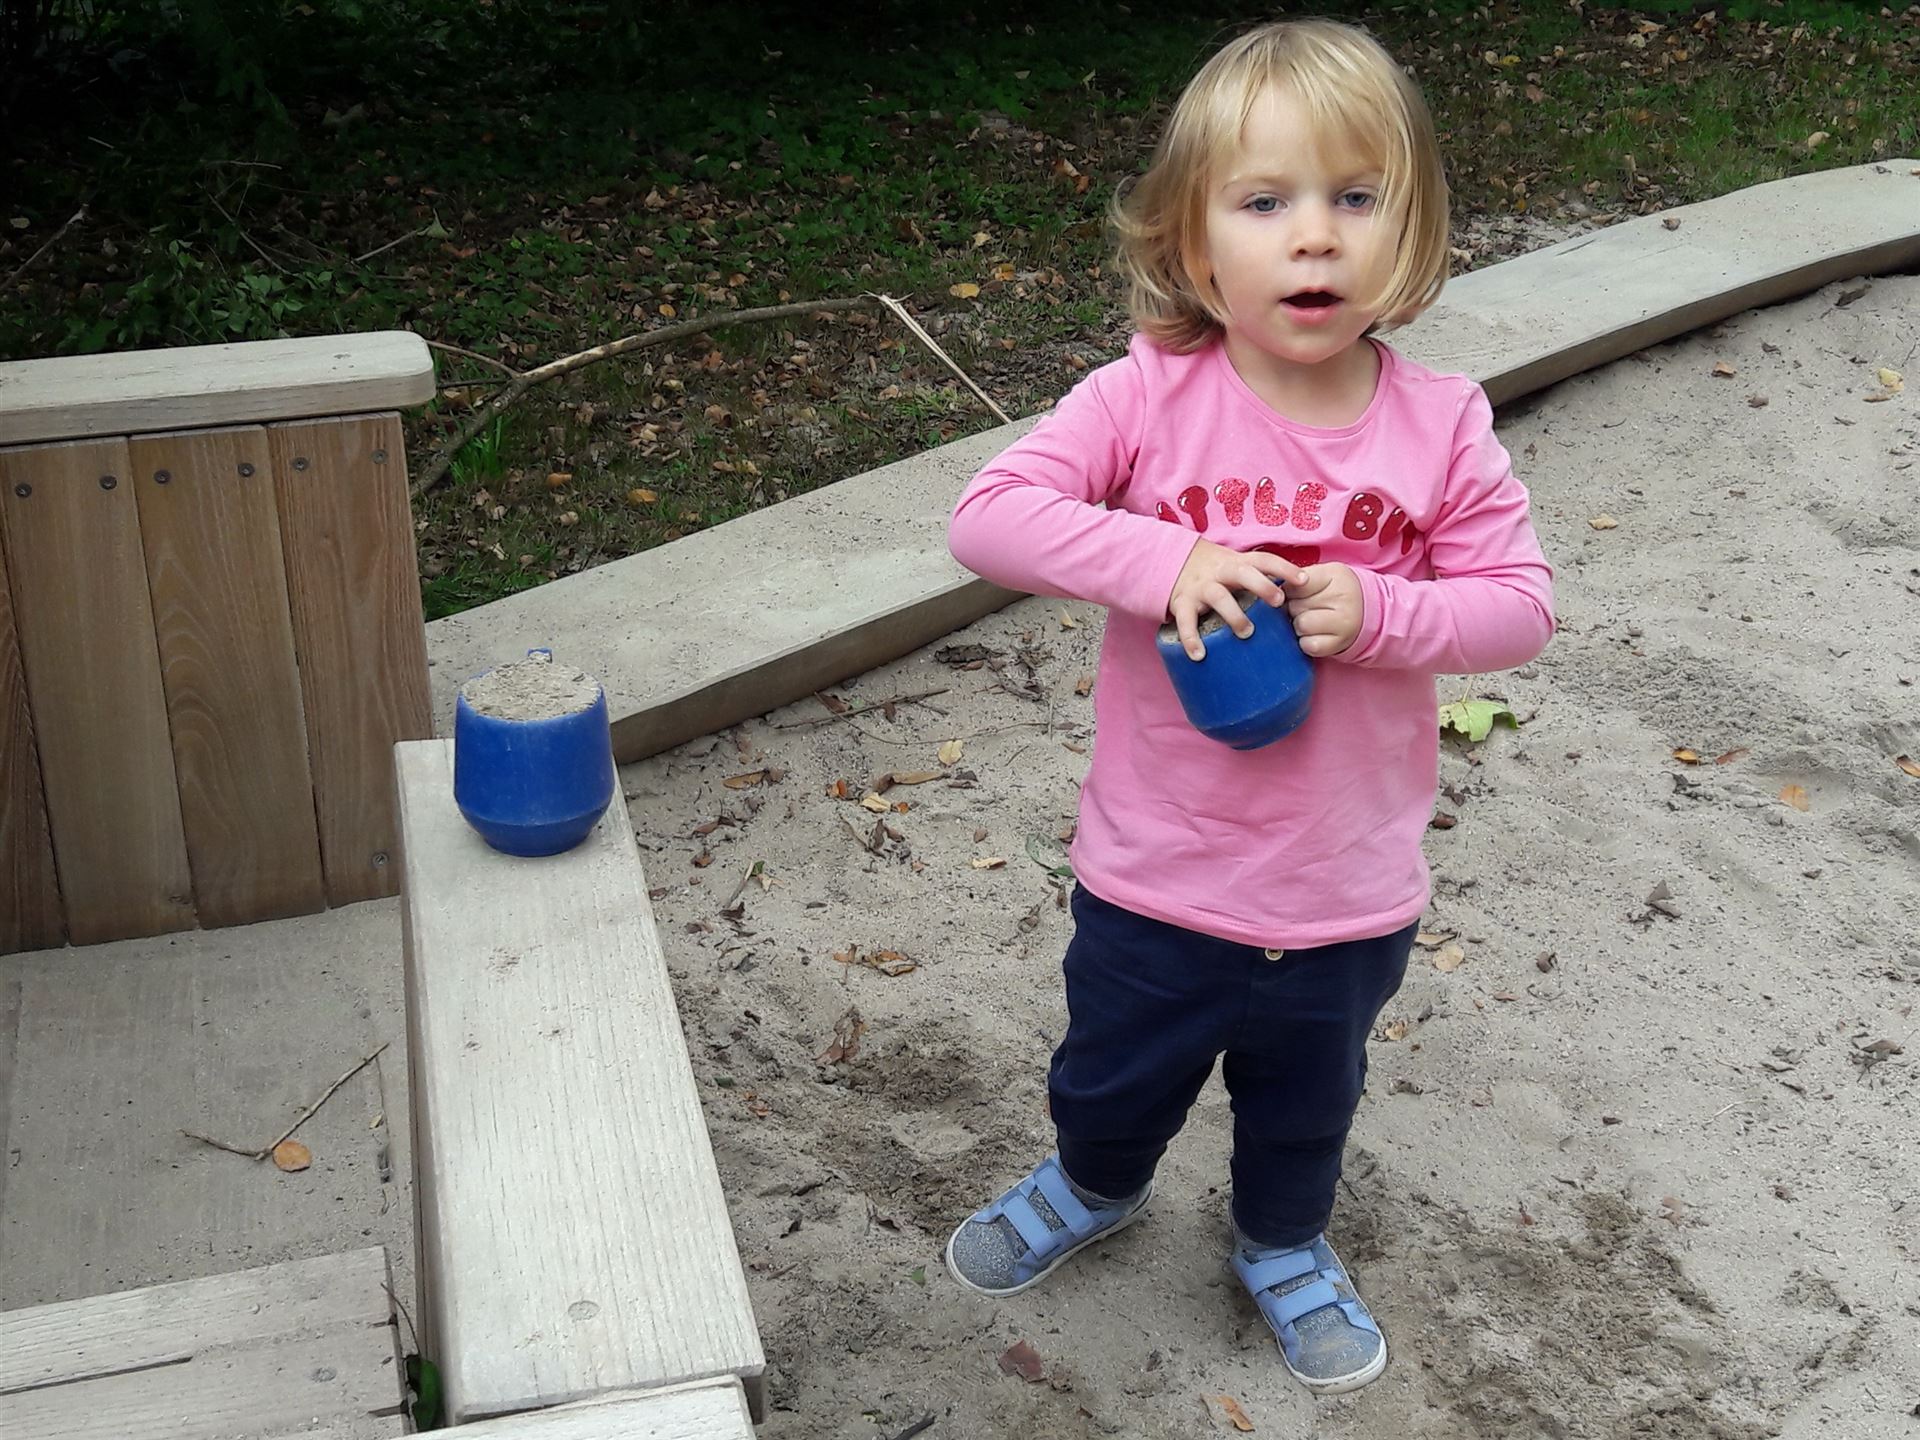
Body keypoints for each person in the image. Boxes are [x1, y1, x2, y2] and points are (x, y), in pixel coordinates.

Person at [941, 18, 1555, 1396]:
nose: (1315, 236)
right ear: (1192, 243)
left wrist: (1383, 614)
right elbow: (989, 517)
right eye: (1265, 202)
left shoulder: (1442, 424)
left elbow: (1519, 606)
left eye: (1358, 197)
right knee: (1112, 1069)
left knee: (1305, 1101)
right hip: (1157, 869)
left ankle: (1281, 1241)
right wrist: (1164, 559)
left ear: (1415, 229)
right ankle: (1094, 1182)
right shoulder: (1148, 398)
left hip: (1343, 884)